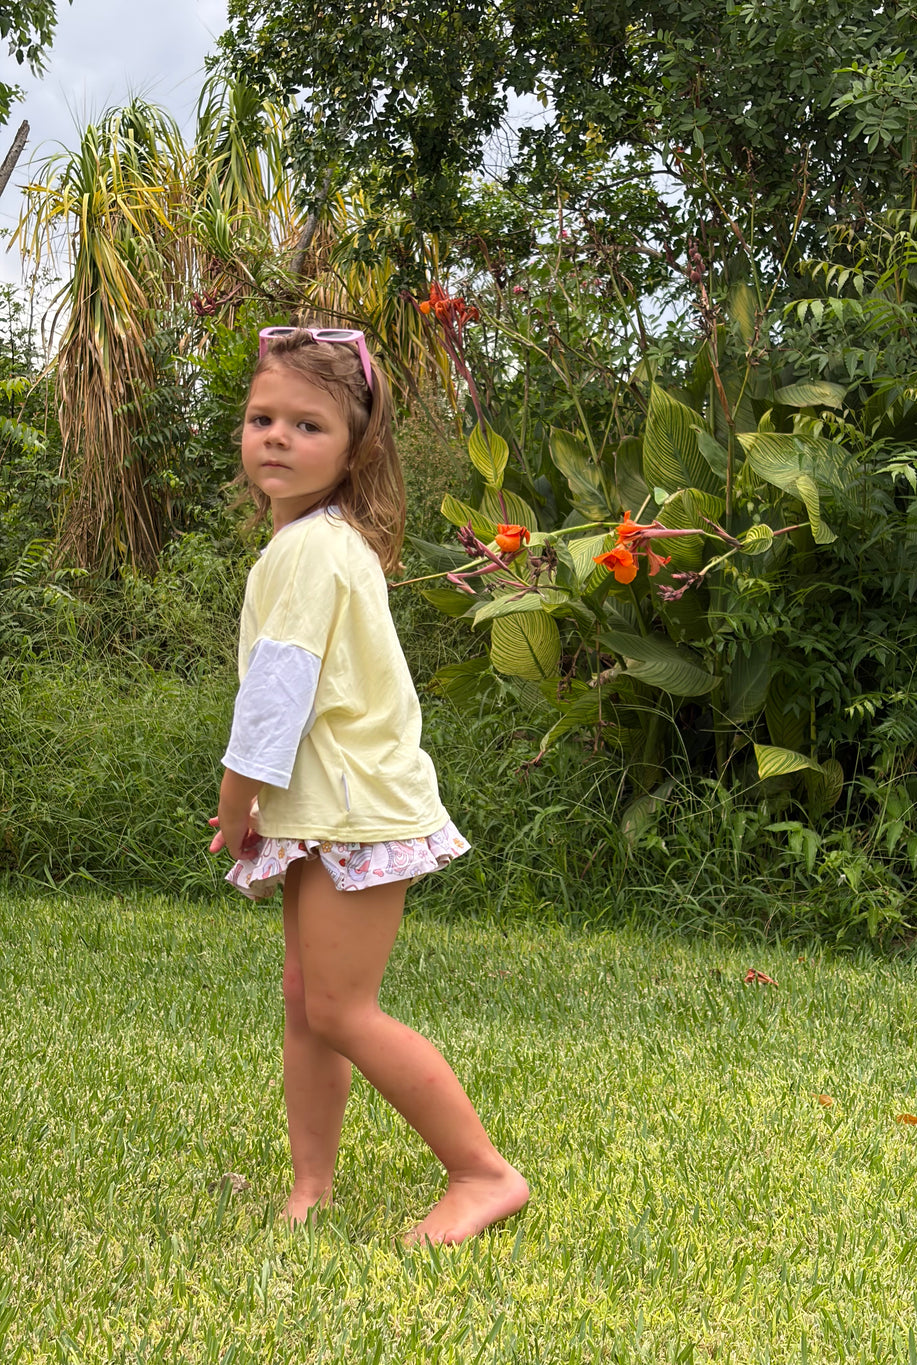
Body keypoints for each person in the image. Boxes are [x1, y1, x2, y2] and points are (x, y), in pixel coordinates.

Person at [208, 326, 529, 1244]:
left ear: (354, 449)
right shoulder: (314, 541)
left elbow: (278, 693)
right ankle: (311, 1189)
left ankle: (483, 1172)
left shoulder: (311, 549)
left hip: (351, 809)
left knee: (342, 1007)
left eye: (307, 425)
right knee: (309, 999)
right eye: (262, 417)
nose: (276, 436)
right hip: (327, 806)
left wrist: (238, 801)